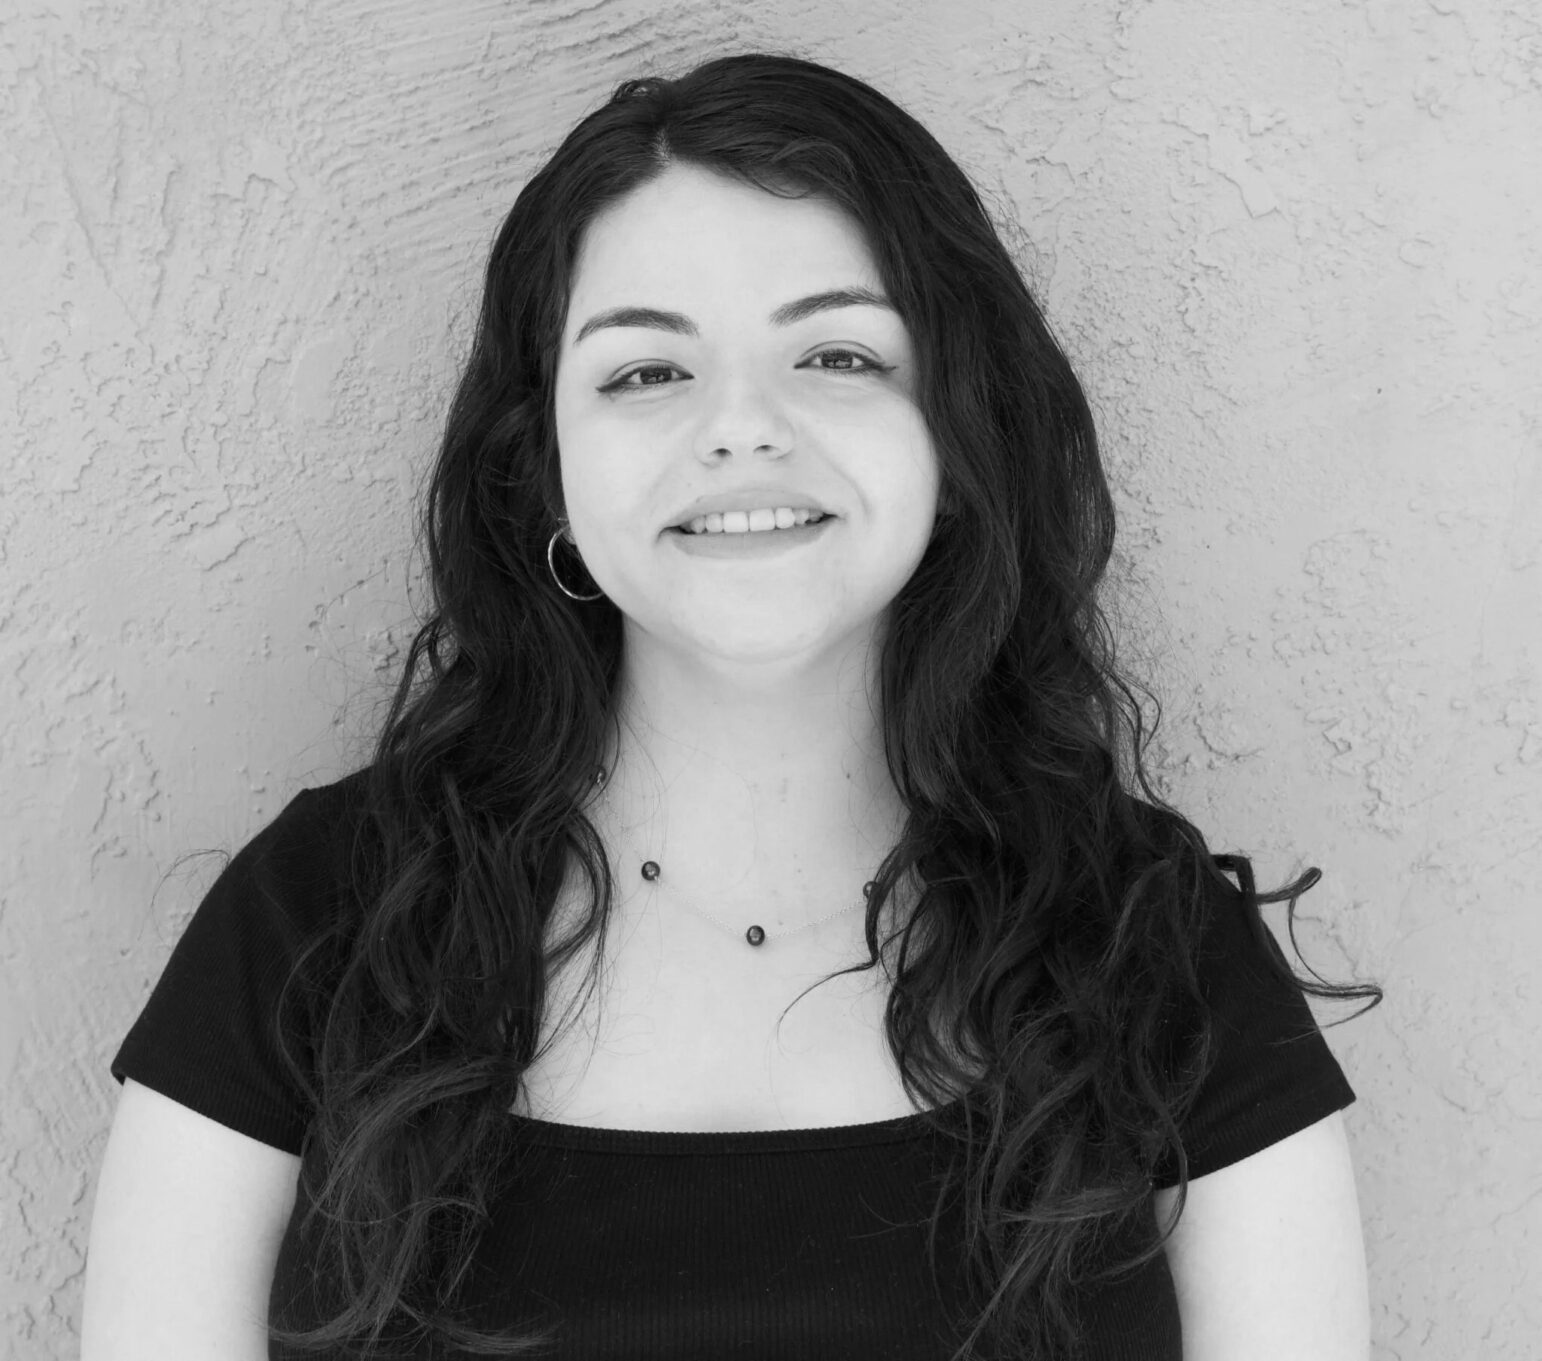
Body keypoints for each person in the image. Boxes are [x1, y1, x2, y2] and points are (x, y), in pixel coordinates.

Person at [81, 52, 1381, 1361]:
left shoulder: (1150, 947)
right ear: (544, 472)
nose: (740, 427)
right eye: (646, 372)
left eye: (834, 352)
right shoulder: (317, 916)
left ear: (954, 431)